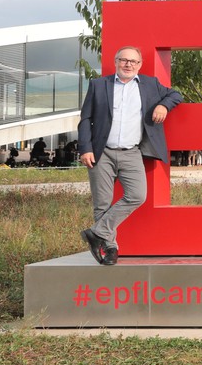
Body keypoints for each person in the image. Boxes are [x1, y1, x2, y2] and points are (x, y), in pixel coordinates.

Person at [78, 46, 183, 265]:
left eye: (133, 62)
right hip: (101, 152)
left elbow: (176, 94)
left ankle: (96, 232)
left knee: (137, 195)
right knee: (102, 203)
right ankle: (110, 249)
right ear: (116, 61)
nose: (128, 65)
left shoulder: (150, 85)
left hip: (132, 151)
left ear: (140, 64)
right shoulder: (99, 85)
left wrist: (164, 105)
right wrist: (85, 148)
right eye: (124, 60)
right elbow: (85, 119)